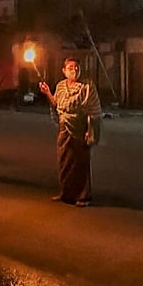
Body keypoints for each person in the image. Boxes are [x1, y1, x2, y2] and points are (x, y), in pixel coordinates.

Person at [38, 57, 102, 207]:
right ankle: (66, 193)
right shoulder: (60, 86)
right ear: (64, 71)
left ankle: (83, 196)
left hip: (80, 128)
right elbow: (57, 105)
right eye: (71, 68)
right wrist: (47, 93)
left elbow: (94, 111)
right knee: (64, 161)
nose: (74, 70)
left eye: (77, 68)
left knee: (80, 162)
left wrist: (90, 130)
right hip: (64, 127)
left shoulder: (87, 87)